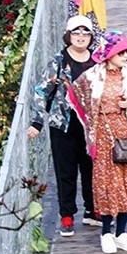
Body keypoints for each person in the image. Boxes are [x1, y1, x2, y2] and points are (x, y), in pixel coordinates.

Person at [70, 34, 127, 254]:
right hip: (105, 137)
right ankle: (106, 233)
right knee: (108, 184)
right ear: (108, 54)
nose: (126, 57)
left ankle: (122, 233)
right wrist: (91, 122)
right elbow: (74, 94)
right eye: (121, 53)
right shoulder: (91, 77)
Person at [28, 15, 99, 236]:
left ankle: (92, 210)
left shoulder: (97, 61)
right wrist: (37, 122)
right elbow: (42, 91)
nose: (81, 37)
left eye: (85, 33)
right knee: (65, 171)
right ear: (68, 36)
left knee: (92, 169)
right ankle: (67, 215)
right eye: (76, 33)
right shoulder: (58, 62)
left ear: (91, 37)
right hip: (63, 125)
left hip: (90, 126)